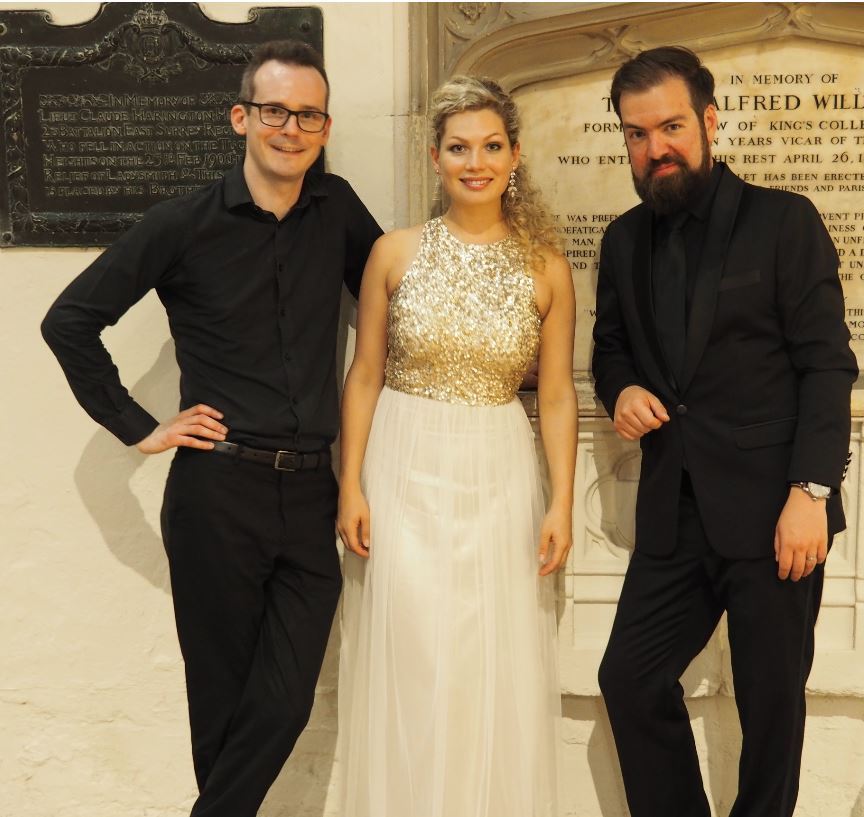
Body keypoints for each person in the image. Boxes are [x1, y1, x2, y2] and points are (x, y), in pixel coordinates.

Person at [41, 40, 381, 817]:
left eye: (307, 114)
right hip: (215, 492)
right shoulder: (183, 223)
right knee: (221, 707)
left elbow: (395, 300)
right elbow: (70, 320)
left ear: (323, 127)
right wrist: (139, 426)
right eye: (274, 111)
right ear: (241, 117)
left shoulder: (339, 212)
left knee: (287, 698)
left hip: (312, 492)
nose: (290, 128)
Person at [592, 46, 857, 817]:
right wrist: (623, 388)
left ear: (709, 121)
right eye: (636, 135)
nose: (655, 148)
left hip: (779, 513)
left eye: (670, 126)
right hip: (674, 513)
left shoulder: (784, 220)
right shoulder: (621, 240)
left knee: (772, 710)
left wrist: (811, 492)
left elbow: (827, 365)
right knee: (630, 680)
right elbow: (610, 348)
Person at [336, 75, 577, 817]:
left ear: (515, 156)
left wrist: (563, 500)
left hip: (500, 467)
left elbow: (560, 392)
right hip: (402, 466)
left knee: (487, 656)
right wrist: (351, 484)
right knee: (410, 653)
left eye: (491, 146)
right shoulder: (393, 252)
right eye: (459, 147)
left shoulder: (548, 267)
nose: (476, 162)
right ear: (435, 156)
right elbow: (365, 374)